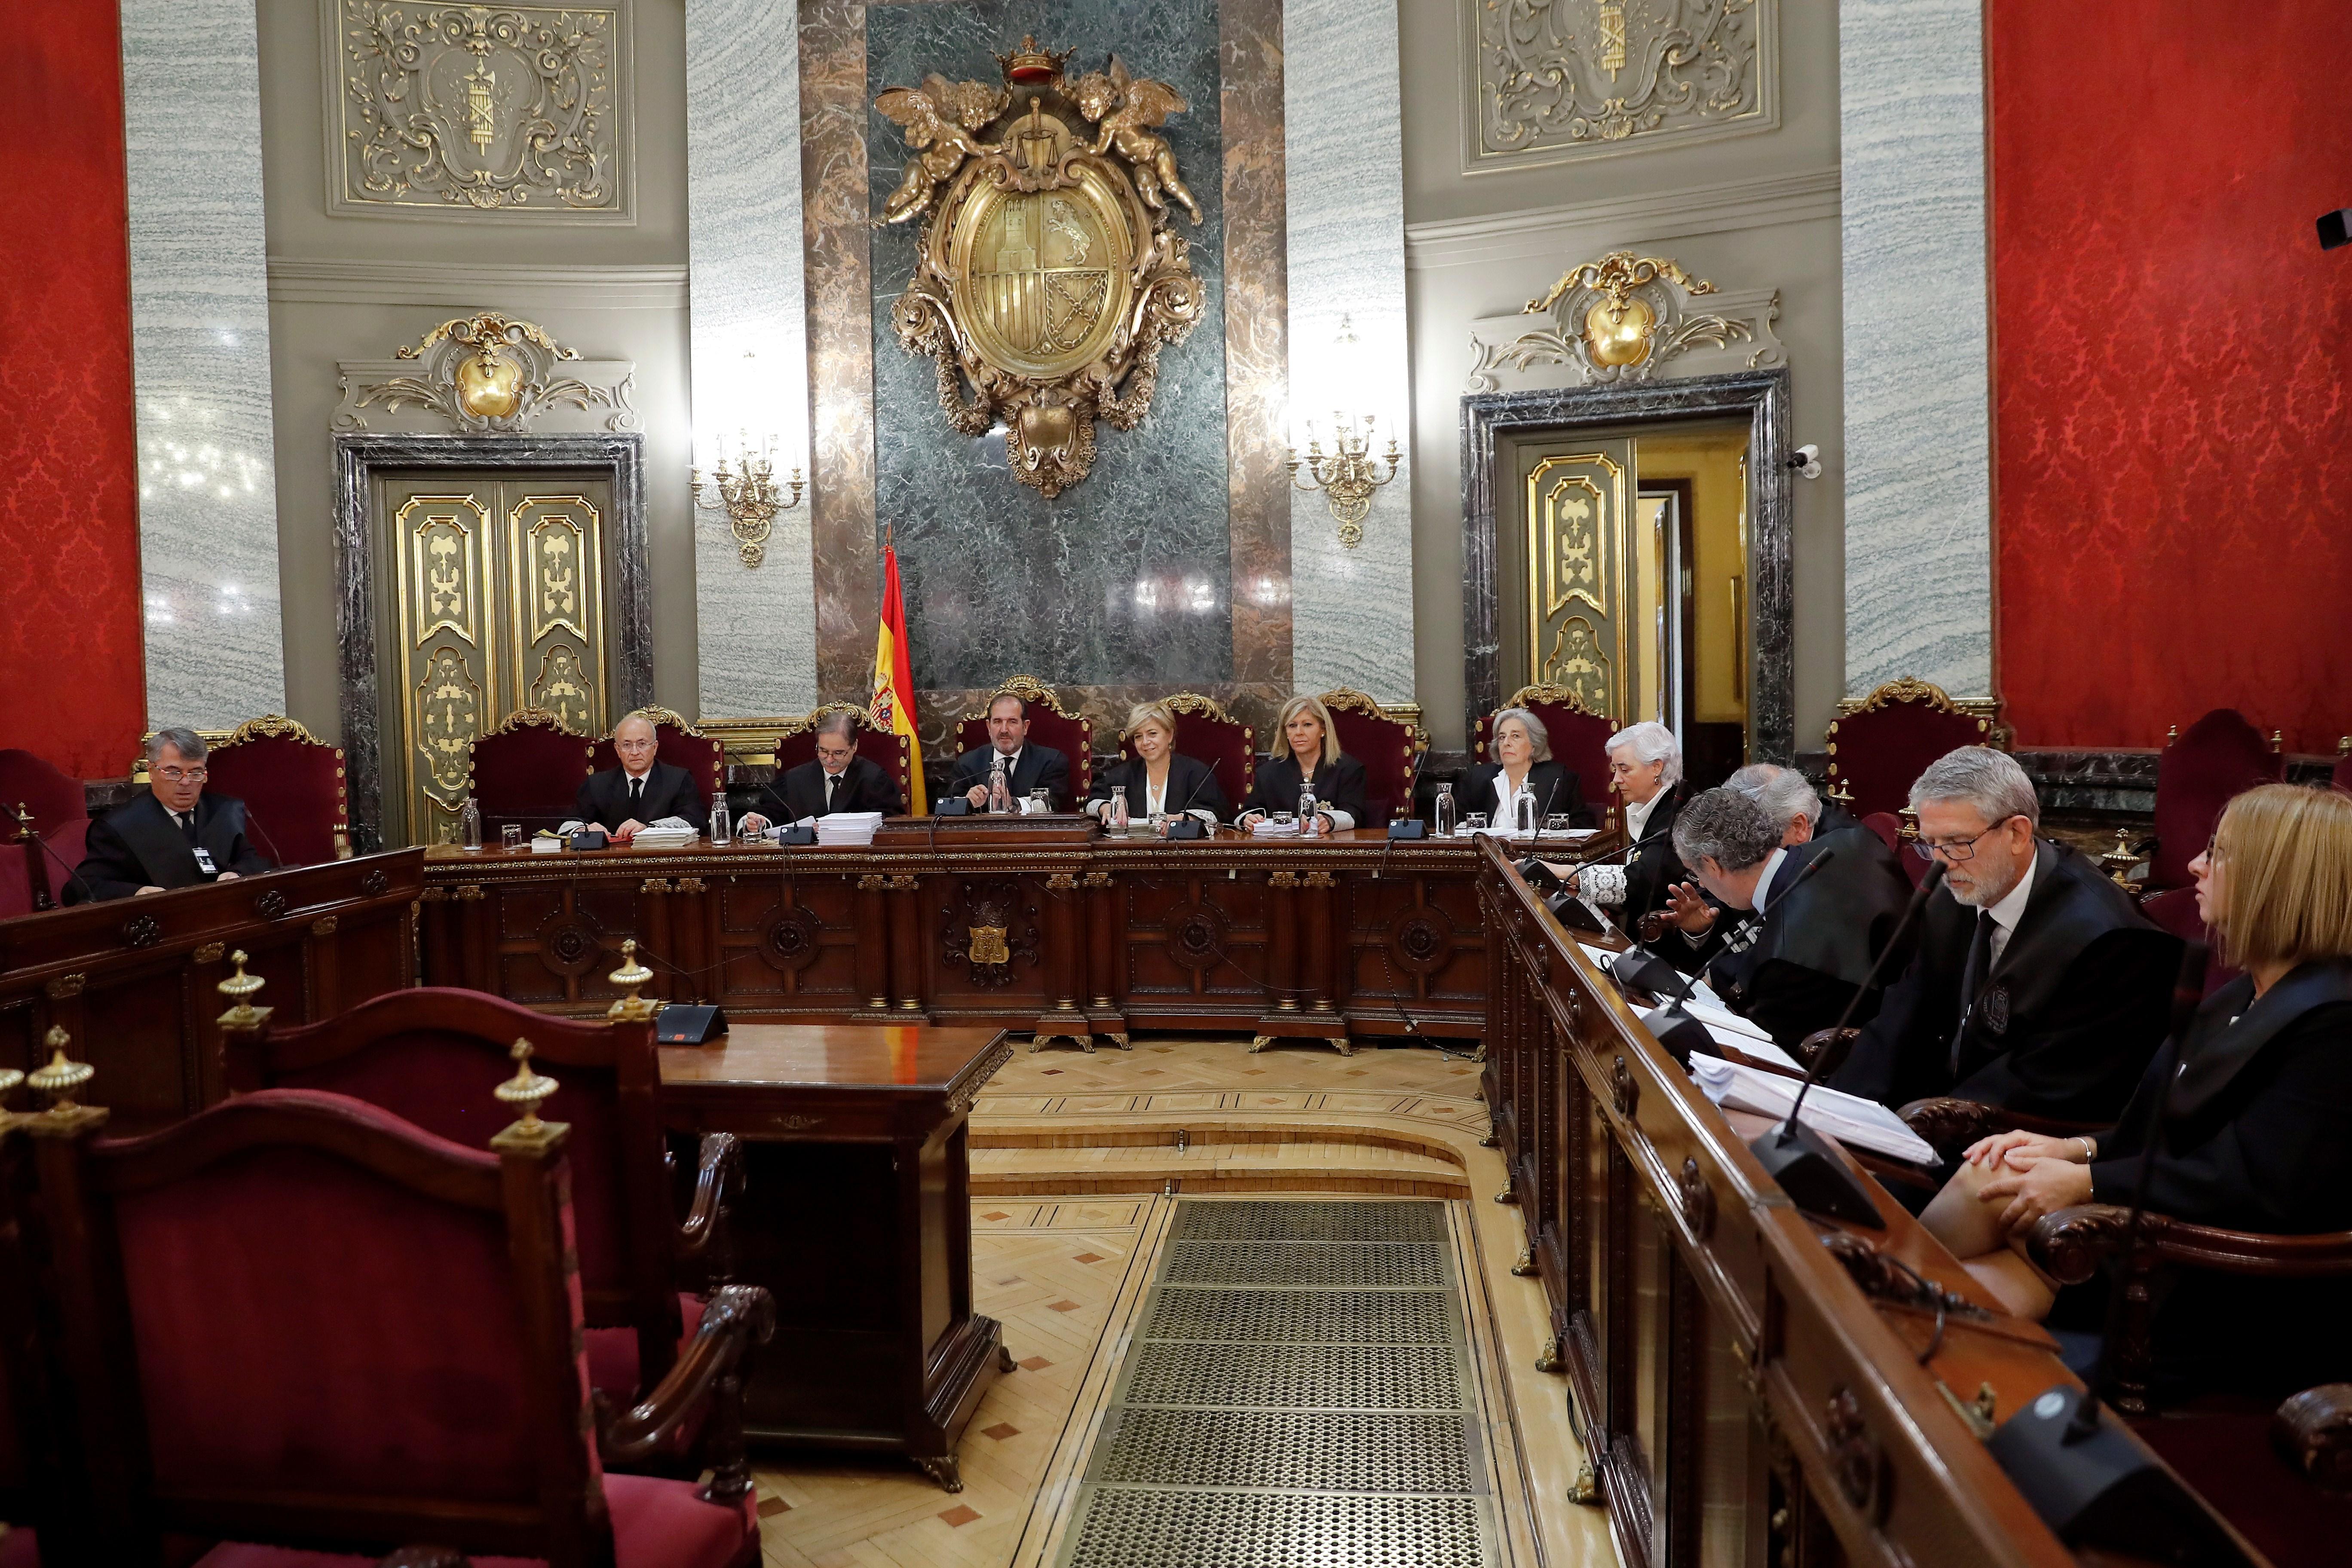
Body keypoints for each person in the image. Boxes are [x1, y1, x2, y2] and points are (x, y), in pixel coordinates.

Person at [1920, 784, 2352, 1404]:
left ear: (2279, 881)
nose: (2196, 867)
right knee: (1977, 1226)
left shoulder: (2334, 1022)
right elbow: (2162, 1129)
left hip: (2214, 1282)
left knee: (1974, 1219)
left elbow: (2259, 1184)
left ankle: (1858, 1321)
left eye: (2220, 854)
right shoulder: (2243, 991)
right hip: (2147, 1234)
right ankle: (1869, 1336)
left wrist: (2090, 1186)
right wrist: (2072, 1151)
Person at [1829, 747, 2179, 1122]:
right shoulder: (1958, 893)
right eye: (1932, 845)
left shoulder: (2111, 941)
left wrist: (1918, 1131)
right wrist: (1834, 1113)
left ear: (2017, 832)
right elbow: (1903, 1018)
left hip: (2020, 1141)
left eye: (1958, 843)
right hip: (1937, 1112)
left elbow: (2047, 1084)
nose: (1943, 863)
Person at [1657, 787, 1917, 1048]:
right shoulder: (1855, 839)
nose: (1700, 883)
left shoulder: (1785, 960)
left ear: (1712, 865)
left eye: (1695, 874)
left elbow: (1769, 1054)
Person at [70, 727, 272, 902]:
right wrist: (136, 893)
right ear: (151, 771)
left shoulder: (226, 811)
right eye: (174, 772)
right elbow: (82, 887)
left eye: (195, 772)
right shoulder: (118, 827)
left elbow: (255, 860)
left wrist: (237, 873)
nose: (186, 782)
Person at [1540, 720, 1690, 925]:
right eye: (1615, 769)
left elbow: (1644, 880)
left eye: (1625, 770)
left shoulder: (1681, 811)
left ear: (1657, 767)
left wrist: (1567, 873)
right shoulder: (1652, 805)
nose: (1616, 779)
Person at [1235, 694, 1367, 832]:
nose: (1299, 733)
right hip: (1281, 849)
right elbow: (1247, 813)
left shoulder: (1349, 769)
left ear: (1323, 730)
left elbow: (1355, 815)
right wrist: (1248, 819)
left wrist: (1330, 820)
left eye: (1307, 725)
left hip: (1331, 849)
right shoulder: (1268, 773)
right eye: (1292, 726)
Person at [1088, 701, 1228, 827]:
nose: (1145, 742)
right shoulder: (1123, 774)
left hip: (1184, 851)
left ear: (1170, 735)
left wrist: (1182, 819)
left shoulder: (1197, 773)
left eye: (1152, 734)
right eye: (1138, 737)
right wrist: (1106, 807)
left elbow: (1215, 813)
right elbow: (1092, 802)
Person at [576, 711, 708, 841]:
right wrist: (585, 829)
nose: (635, 752)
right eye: (627, 745)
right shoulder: (596, 785)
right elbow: (569, 823)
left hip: (663, 858)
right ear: (618, 750)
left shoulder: (679, 780)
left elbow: (694, 820)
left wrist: (649, 829)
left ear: (655, 747)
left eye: (642, 744)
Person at [1457, 707, 1590, 833]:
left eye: (1516, 736)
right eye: (1502, 737)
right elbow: (1456, 822)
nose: (1506, 743)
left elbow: (1583, 825)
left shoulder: (1560, 779)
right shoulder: (1477, 779)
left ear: (1534, 744)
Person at [760, 711, 904, 824]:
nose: (829, 760)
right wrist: (759, 822)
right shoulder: (794, 779)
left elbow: (890, 821)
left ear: (854, 747)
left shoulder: (874, 779)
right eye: (823, 751)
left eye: (838, 753)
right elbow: (770, 813)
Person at [946, 692, 1070, 811]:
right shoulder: (967, 765)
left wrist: (1014, 804)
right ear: (989, 727)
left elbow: (1052, 803)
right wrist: (967, 802)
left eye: (1012, 722)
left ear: (1025, 727)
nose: (1004, 730)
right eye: (998, 722)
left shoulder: (1051, 762)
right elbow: (948, 806)